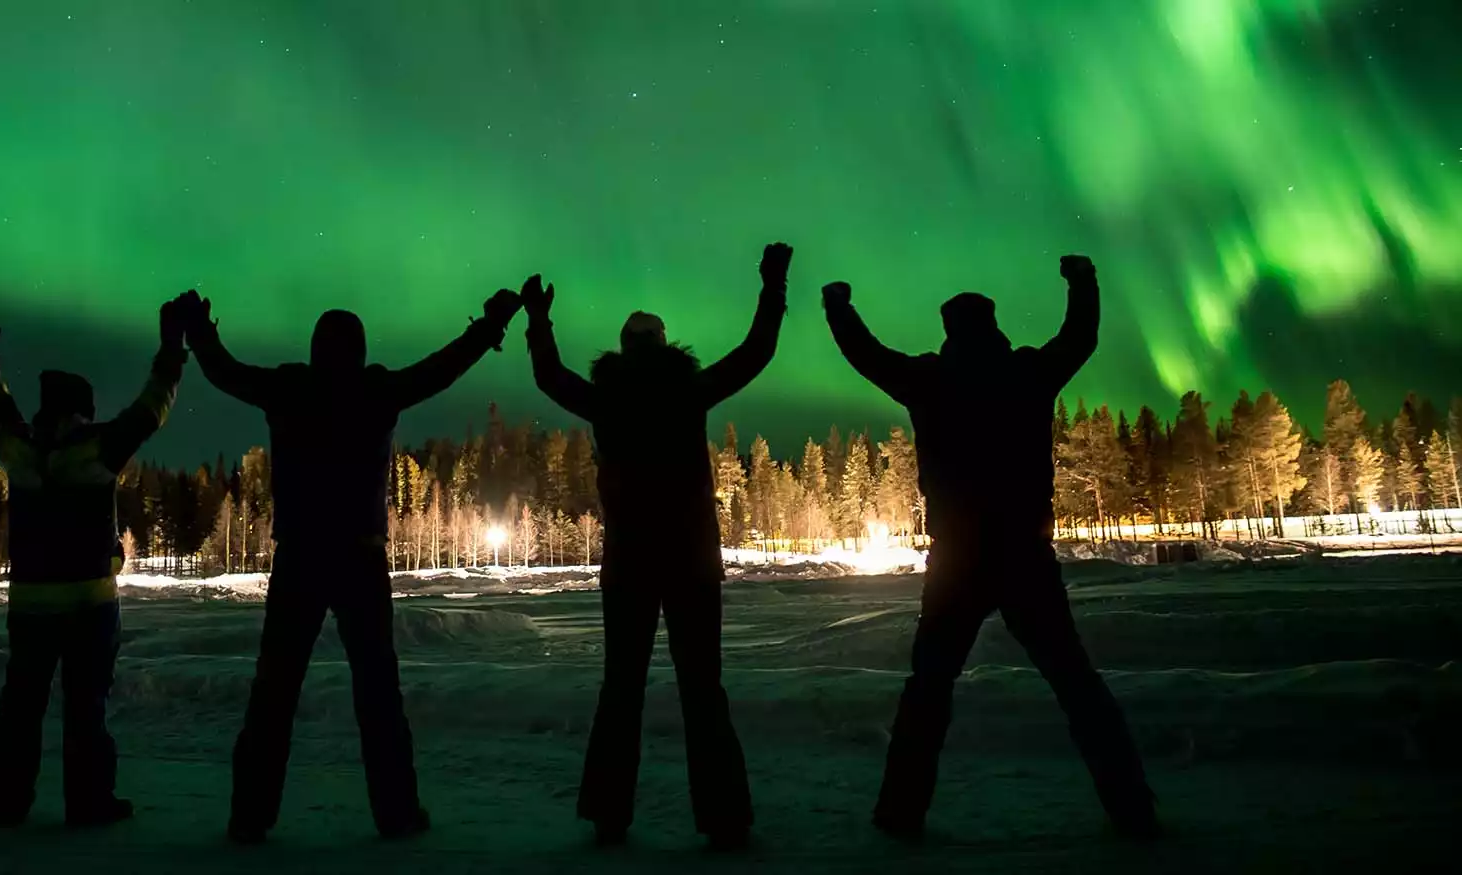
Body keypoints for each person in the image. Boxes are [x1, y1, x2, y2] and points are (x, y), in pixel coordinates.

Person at [822, 255, 1159, 840]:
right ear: (995, 324)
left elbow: (866, 355)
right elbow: (1080, 337)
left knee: (929, 687)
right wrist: (1082, 282)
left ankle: (900, 812)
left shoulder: (930, 380)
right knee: (1076, 682)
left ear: (949, 328)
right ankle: (1132, 806)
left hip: (956, 561)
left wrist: (839, 308)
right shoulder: (1027, 374)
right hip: (1025, 556)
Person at [188, 288, 522, 844]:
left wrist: (200, 332)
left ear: (317, 347)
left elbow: (225, 372)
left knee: (275, 689)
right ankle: (395, 812)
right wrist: (489, 327)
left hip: (299, 555)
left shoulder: (289, 388)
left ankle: (250, 815)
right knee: (376, 691)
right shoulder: (376, 390)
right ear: (360, 349)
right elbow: (440, 370)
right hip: (360, 556)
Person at [521, 242, 792, 849]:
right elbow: (756, 353)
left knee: (622, 687)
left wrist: (538, 320)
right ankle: (724, 817)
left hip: (629, 566)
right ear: (666, 345)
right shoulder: (687, 393)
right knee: (703, 688)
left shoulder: (606, 397)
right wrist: (772, 286)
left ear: (623, 348)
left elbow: (549, 376)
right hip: (692, 563)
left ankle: (609, 814)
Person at [0, 298, 192, 828]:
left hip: (30, 607)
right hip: (89, 604)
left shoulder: (17, 447)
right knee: (86, 708)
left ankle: (6, 802)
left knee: (20, 706)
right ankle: (88, 802)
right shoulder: (97, 449)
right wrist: (171, 349)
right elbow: (152, 408)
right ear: (81, 410)